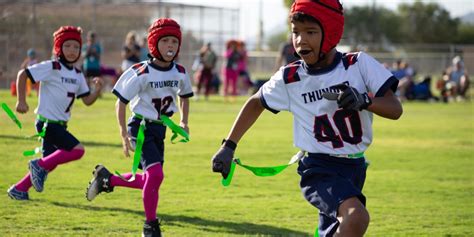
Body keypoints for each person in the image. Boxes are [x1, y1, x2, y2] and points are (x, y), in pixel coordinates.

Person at [211, 0, 403, 236]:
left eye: (310, 32)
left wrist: (364, 100)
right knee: (356, 218)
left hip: (354, 166)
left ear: (331, 33)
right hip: (318, 167)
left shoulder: (358, 64)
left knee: (333, 229)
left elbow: (395, 109)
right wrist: (228, 146)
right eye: (295, 33)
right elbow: (255, 103)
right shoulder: (290, 77)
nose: (301, 40)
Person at [85, 18, 193, 237]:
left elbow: (184, 97)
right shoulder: (141, 72)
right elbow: (120, 102)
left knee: (152, 178)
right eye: (165, 41)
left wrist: (184, 121)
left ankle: (107, 179)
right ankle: (150, 226)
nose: (171, 46)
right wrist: (124, 133)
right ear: (154, 44)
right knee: (155, 175)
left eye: (174, 41)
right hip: (140, 128)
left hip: (159, 130)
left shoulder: (180, 71)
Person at [7, 26, 103, 201]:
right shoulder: (52, 66)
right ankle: (38, 165)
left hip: (60, 125)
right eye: (67, 46)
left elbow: (87, 101)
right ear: (59, 47)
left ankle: (19, 189)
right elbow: (23, 75)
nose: (72, 50)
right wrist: (21, 100)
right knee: (77, 151)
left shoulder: (78, 74)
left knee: (48, 165)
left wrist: (96, 91)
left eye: (76, 47)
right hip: (47, 123)